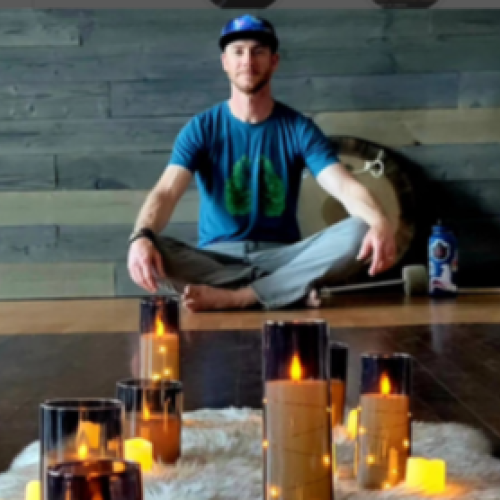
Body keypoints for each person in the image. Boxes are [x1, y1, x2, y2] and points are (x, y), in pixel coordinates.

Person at [127, 14, 396, 312]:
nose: (248, 60)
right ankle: (285, 290)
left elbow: (344, 186)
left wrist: (380, 222)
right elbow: (166, 192)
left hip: (284, 255)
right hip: (215, 259)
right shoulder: (201, 127)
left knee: (360, 229)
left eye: (258, 51)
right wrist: (141, 237)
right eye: (238, 52)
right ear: (224, 62)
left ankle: (239, 297)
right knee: (154, 247)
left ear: (274, 61)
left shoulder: (298, 128)